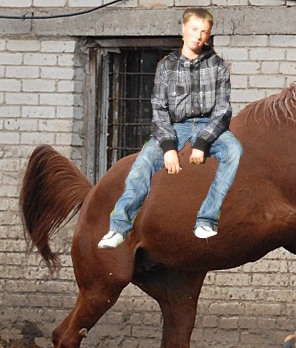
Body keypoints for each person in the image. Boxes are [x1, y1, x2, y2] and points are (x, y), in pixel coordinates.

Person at [98, 7, 243, 249]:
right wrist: (168, 147)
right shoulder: (167, 66)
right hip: (175, 126)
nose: (198, 36)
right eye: (194, 29)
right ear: (183, 30)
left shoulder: (217, 65)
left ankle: (206, 219)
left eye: (204, 32)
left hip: (209, 125)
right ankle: (118, 228)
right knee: (143, 162)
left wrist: (203, 143)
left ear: (208, 36)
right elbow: (158, 108)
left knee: (234, 150)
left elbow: (222, 110)